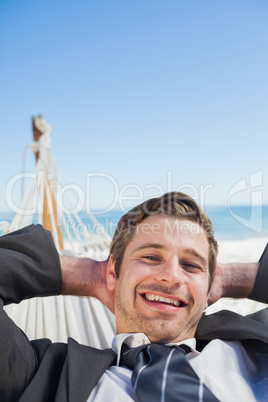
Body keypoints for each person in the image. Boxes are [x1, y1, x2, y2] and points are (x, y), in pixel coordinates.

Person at [0, 192, 267, 401]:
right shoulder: (40, 376)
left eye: (191, 265)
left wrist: (232, 278)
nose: (172, 276)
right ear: (114, 272)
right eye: (151, 257)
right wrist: (94, 273)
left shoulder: (256, 346)